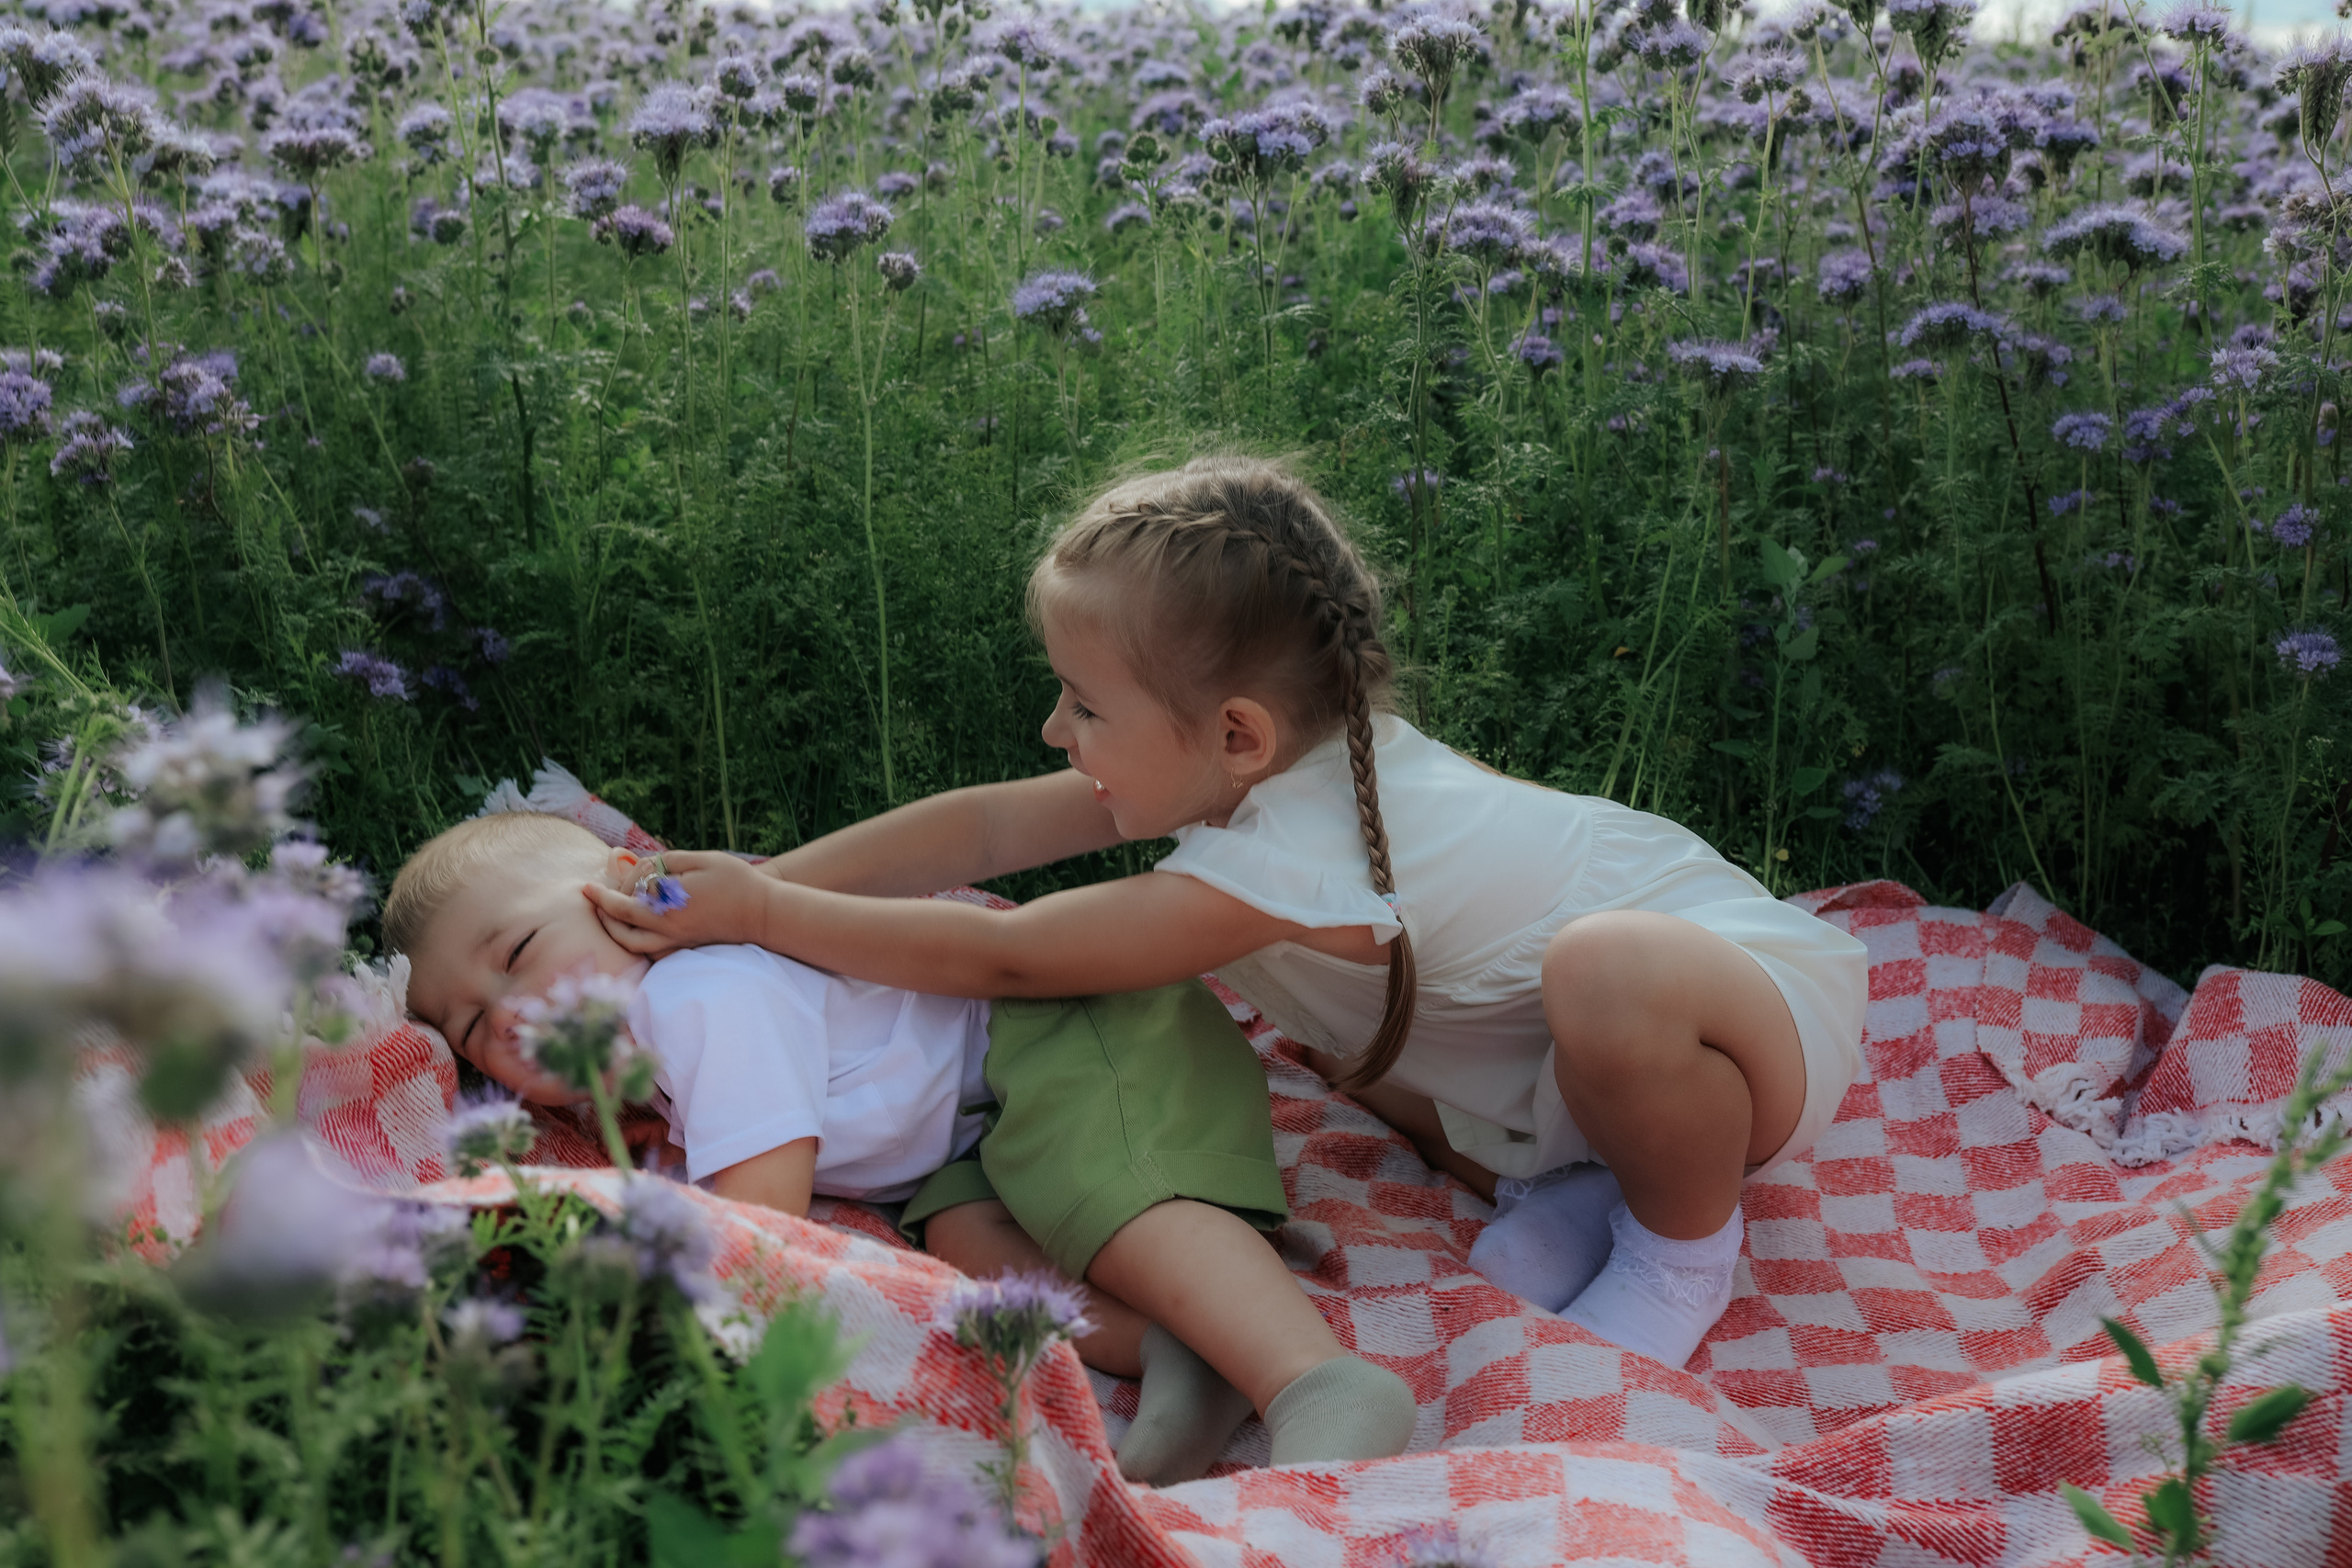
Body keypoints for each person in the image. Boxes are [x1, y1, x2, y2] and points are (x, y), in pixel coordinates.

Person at [584, 455, 1871, 1371]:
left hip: (1739, 1013)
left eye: (1086, 705)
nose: (1055, 729)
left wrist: (766, 913)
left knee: (1602, 967)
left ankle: (1678, 1251)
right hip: (1561, 1071)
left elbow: (1013, 952)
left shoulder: (1301, 848)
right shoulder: (1248, 769)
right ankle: (1592, 1184)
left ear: (1238, 733)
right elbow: (981, 831)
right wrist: (750, 885)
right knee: (1370, 1047)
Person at [385, 811, 1417, 1483]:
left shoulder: (694, 992)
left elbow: (757, 1215)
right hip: (982, 1121)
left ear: (632, 888)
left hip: (1069, 1027)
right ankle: (1178, 1349)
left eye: (519, 953)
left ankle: (1313, 1376)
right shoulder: (646, 1063)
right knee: (964, 1234)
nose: (508, 1015)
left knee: (1113, 1187)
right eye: (472, 1029)